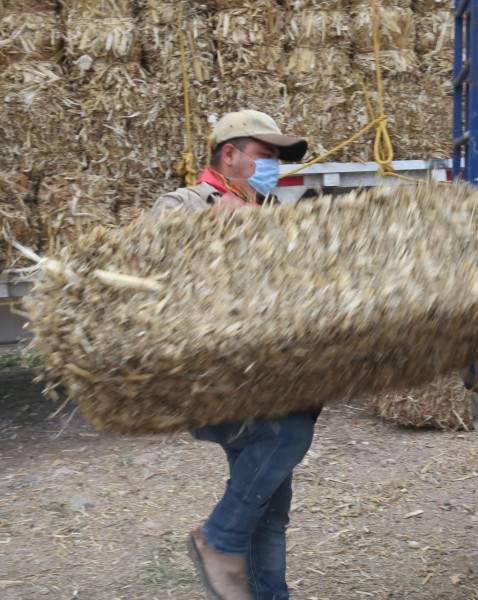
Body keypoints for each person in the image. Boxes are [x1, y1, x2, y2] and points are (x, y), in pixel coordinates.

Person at [151, 110, 315, 600]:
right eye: (266, 156)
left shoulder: (272, 211)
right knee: (287, 435)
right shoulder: (189, 201)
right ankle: (216, 539)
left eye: (278, 160)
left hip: (264, 377)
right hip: (214, 380)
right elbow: (144, 251)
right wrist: (209, 224)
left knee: (271, 501)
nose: (273, 167)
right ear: (230, 154)